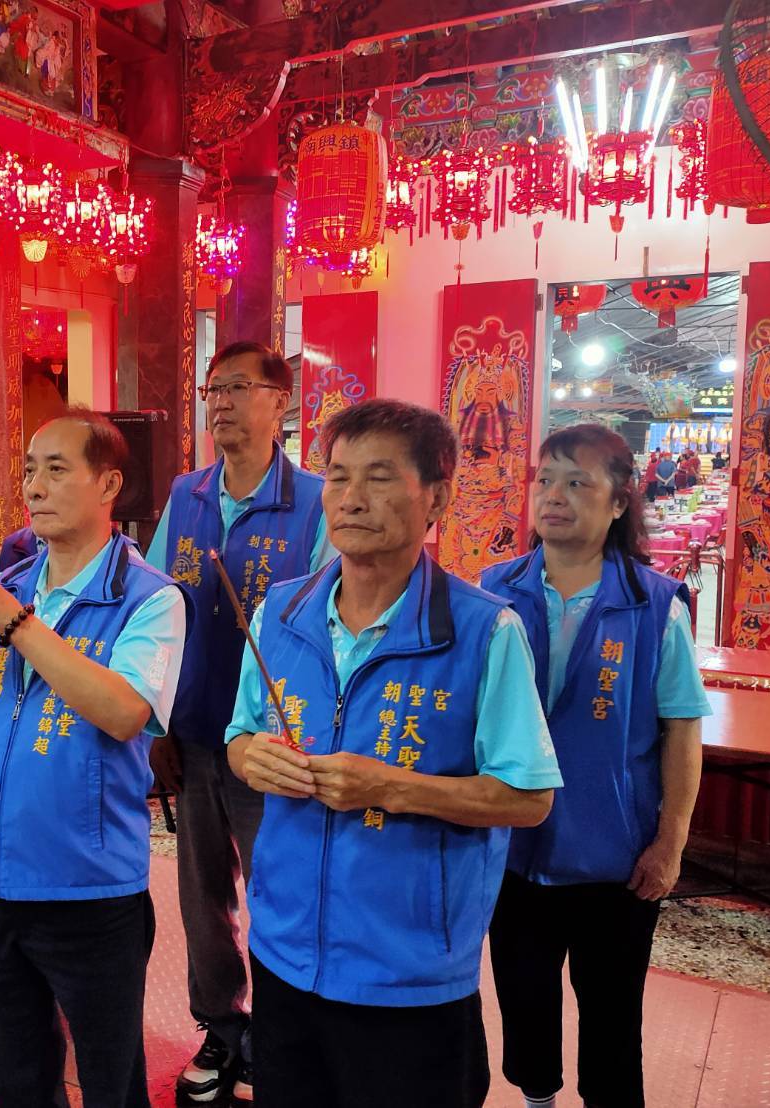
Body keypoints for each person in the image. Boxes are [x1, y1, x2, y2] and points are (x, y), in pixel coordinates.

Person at [226, 399, 562, 1108]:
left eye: (378, 477)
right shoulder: (279, 613)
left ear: (435, 497)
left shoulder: (484, 631)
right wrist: (251, 757)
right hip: (282, 954)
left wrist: (390, 787)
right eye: (337, 476)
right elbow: (240, 736)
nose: (350, 498)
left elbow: (529, 797)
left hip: (408, 977)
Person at [0, 408, 186, 1108]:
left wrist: (12, 621)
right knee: (17, 1079)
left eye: (57, 469)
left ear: (108, 485)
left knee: (111, 1084)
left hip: (90, 894)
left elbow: (124, 711)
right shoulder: (13, 583)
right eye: (31, 469)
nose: (34, 485)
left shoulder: (149, 598)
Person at [481, 423, 710, 1108]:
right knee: (522, 999)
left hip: (615, 857)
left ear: (618, 501)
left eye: (577, 482)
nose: (553, 496)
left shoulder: (654, 605)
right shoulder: (493, 592)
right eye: (545, 479)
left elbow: (681, 729)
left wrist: (670, 844)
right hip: (514, 850)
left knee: (612, 1019)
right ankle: (538, 1100)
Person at [144, 340, 331, 1106]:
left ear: (279, 401)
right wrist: (156, 725)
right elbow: (152, 605)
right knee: (201, 899)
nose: (218, 402)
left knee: (280, 895)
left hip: (271, 746)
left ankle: (286, 1037)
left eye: (236, 387)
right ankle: (222, 1027)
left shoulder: (315, 501)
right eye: (211, 388)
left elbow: (327, 626)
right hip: (193, 732)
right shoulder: (185, 494)